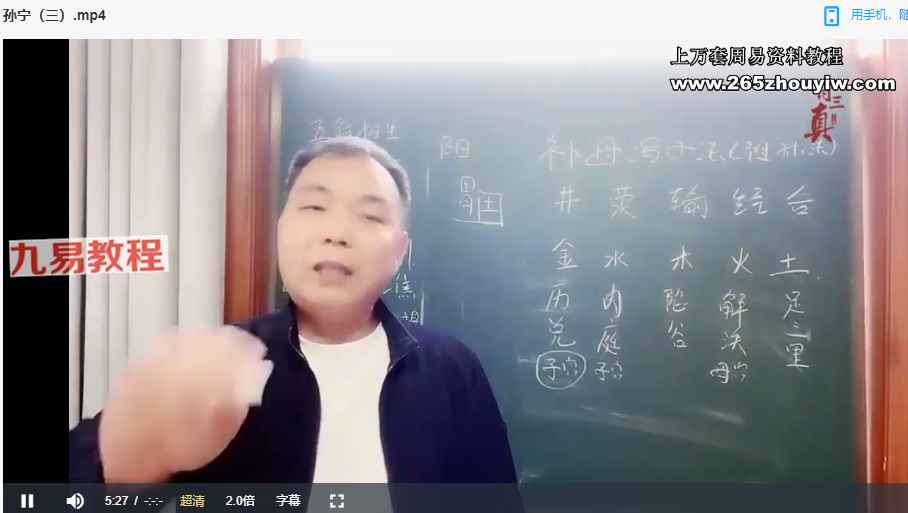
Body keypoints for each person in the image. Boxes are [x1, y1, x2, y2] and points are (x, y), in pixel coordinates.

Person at [69, 136, 519, 486]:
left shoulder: (451, 369)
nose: (336, 232)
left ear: (399, 251)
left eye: (369, 216)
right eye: (314, 207)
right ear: (281, 228)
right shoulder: (217, 363)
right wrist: (131, 460)